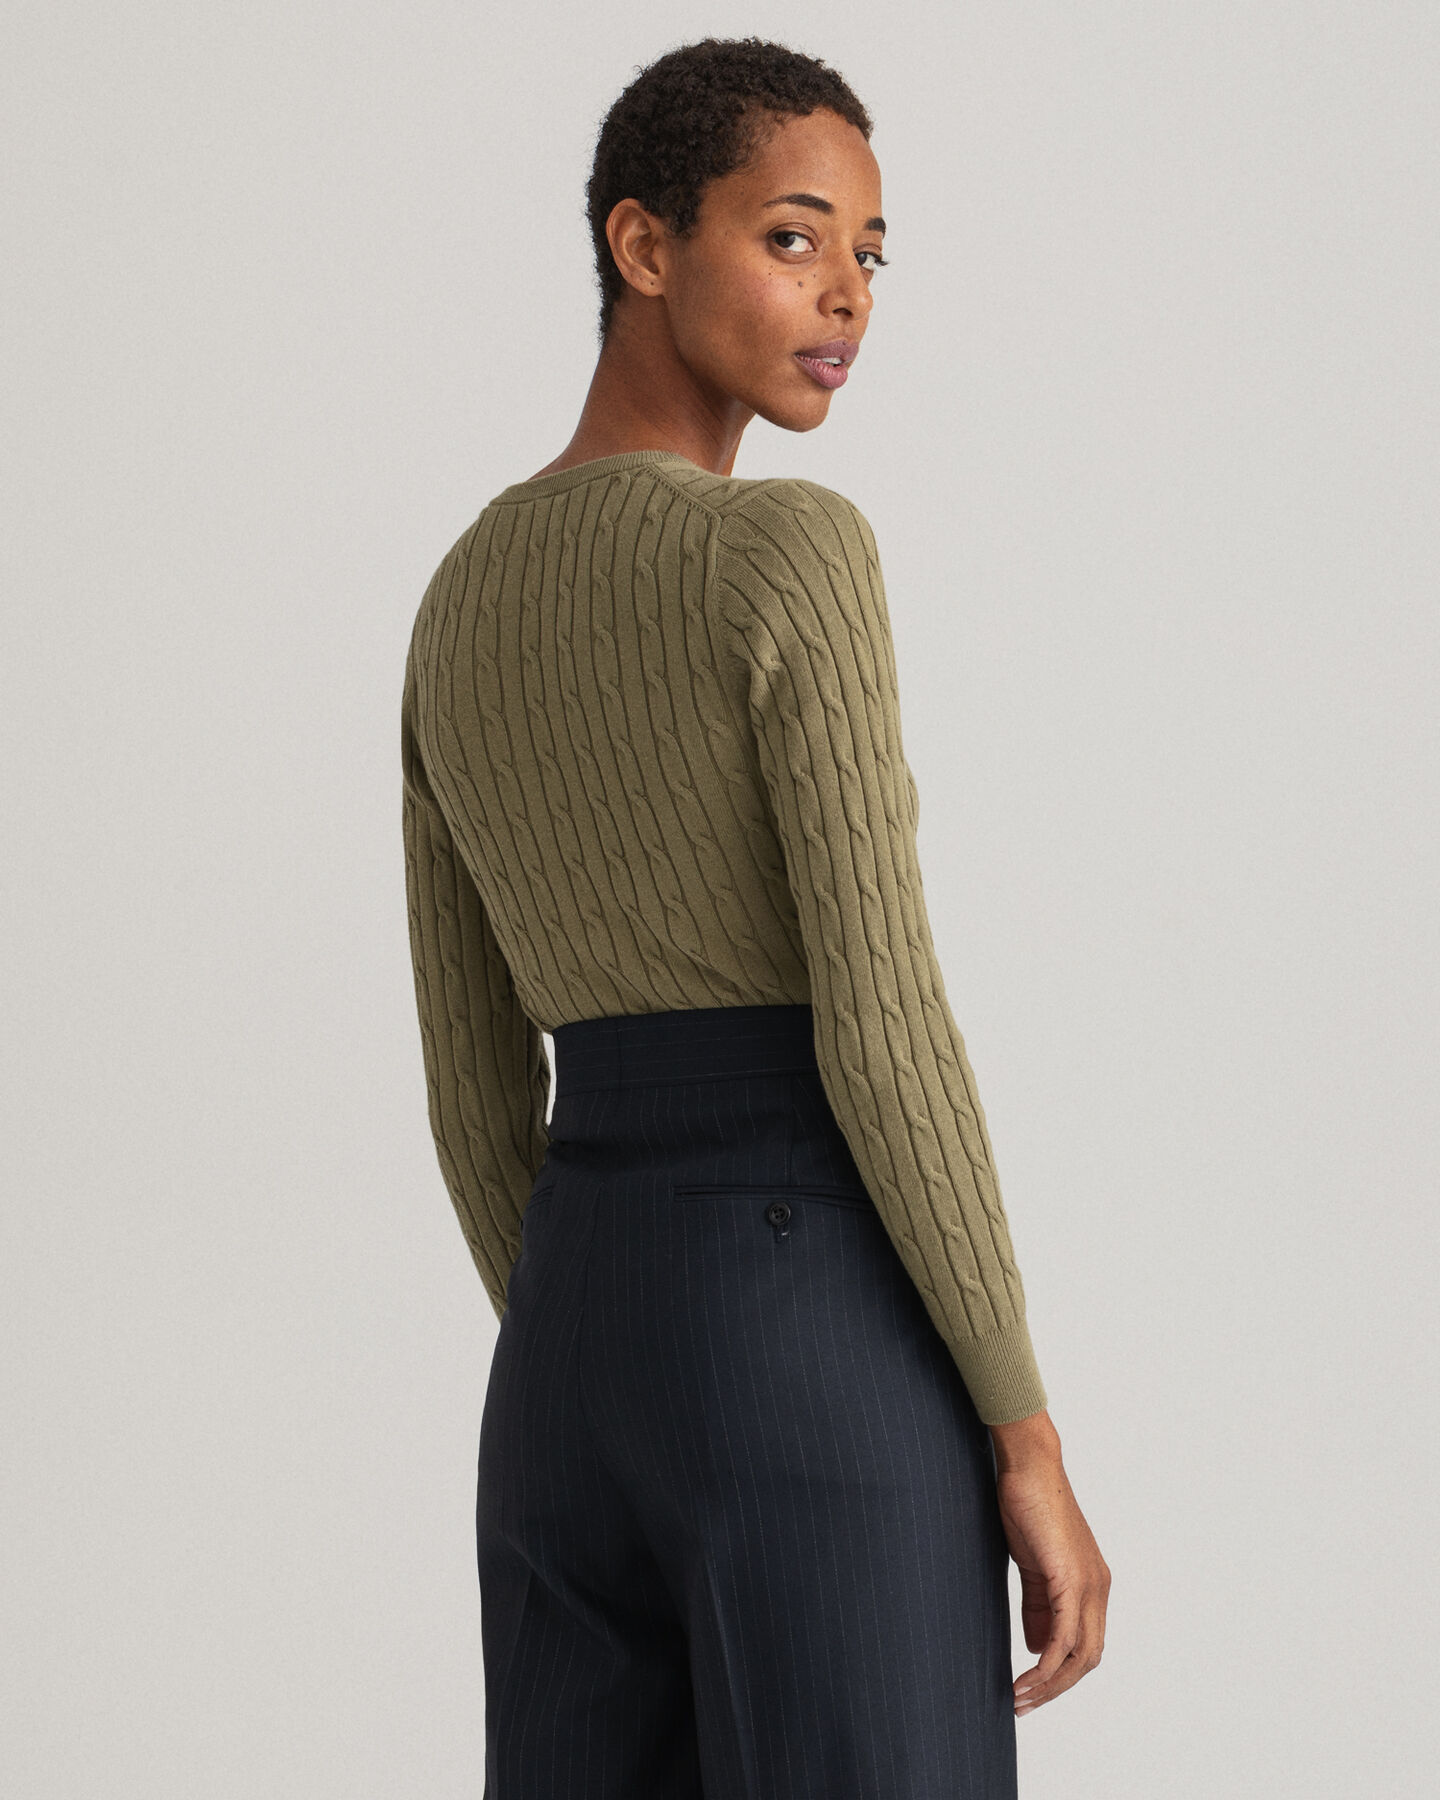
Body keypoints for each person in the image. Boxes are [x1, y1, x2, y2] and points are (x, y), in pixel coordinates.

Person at [401, 34, 1109, 1800]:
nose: (847, 293)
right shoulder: (786, 549)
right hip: (803, 1317)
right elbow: (883, 1020)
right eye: (793, 238)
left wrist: (590, 1323)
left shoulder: (458, 597)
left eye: (870, 251)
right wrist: (1021, 1425)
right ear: (643, 244)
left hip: (565, 1348)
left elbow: (473, 1082)